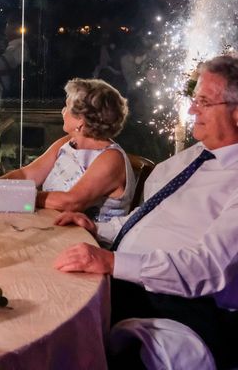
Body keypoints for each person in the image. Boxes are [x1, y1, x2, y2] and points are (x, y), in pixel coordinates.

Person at [54, 54, 238, 369]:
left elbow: (209, 270)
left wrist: (111, 261)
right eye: (194, 99)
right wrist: (96, 229)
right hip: (123, 282)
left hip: (181, 309)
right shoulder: (187, 159)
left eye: (204, 102)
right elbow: (146, 219)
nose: (192, 109)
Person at [0, 78, 134, 219]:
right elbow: (26, 174)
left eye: (67, 107)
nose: (62, 111)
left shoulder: (110, 159)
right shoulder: (67, 143)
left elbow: (71, 202)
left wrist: (10, 195)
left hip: (90, 245)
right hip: (53, 225)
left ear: (80, 121)